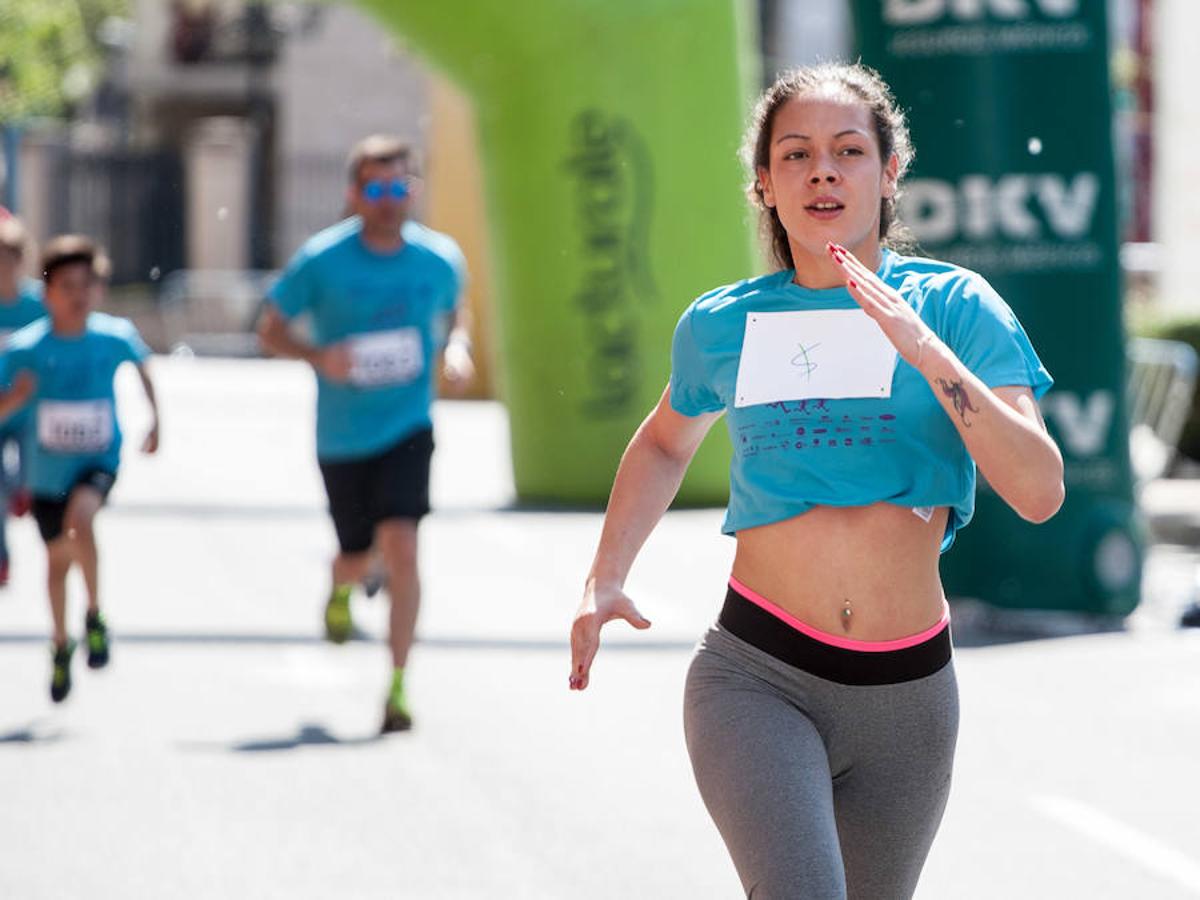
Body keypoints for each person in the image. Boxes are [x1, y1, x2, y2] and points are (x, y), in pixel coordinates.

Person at [569, 63, 1064, 899]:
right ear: (765, 183)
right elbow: (662, 444)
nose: (823, 172)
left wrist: (925, 352)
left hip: (908, 699)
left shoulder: (955, 306)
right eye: (795, 155)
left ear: (889, 170)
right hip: (757, 673)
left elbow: (1039, 488)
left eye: (848, 151)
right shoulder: (724, 322)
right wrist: (603, 578)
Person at [258, 134, 474, 734]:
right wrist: (317, 357)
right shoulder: (322, 260)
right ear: (355, 194)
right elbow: (269, 328)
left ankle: (398, 687)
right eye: (376, 189)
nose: (388, 200)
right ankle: (341, 584)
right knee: (358, 554)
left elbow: (457, 310)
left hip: (408, 425)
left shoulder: (437, 258)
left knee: (403, 546)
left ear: (413, 190)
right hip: (343, 437)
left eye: (399, 187)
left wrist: (457, 348)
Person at [0, 235, 159, 702]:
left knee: (81, 521)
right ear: (46, 292)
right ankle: (59, 642)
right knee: (55, 563)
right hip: (47, 471)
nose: (78, 295)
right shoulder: (26, 347)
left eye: (87, 285)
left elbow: (144, 366)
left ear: (100, 290)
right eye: (67, 285)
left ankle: (94, 613)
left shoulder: (113, 336)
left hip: (97, 460)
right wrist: (17, 398)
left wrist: (156, 420)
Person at [0, 216, 47, 585]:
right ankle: (2, 555)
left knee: (26, 473)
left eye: (9, 258)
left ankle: (24, 491)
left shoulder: (37, 304)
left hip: (29, 408)